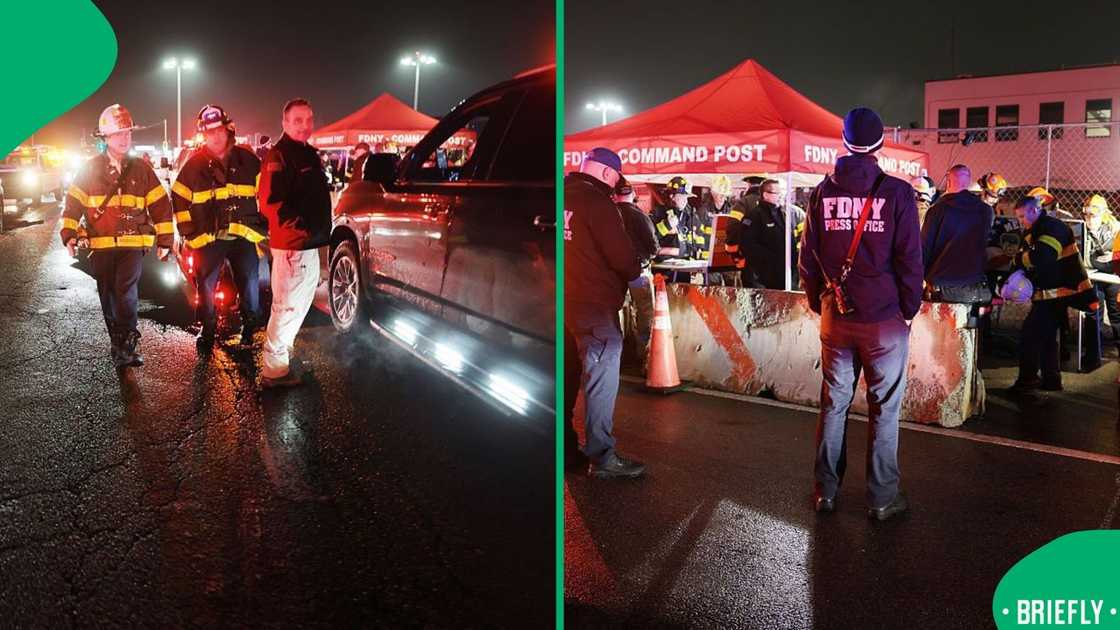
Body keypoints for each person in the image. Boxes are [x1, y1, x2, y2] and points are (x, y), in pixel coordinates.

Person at [797, 106, 922, 521]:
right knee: (884, 407)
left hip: (837, 315)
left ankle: (825, 492)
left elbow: (808, 259)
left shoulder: (821, 192)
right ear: (880, 144)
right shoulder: (898, 193)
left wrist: (820, 302)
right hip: (884, 317)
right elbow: (910, 259)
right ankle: (882, 498)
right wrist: (908, 309)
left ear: (845, 142)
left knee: (834, 403)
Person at [60, 104, 174, 368]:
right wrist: (69, 234)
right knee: (108, 294)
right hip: (101, 244)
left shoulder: (142, 170)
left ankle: (127, 345)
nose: (125, 138)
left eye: (128, 133)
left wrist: (165, 241)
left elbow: (160, 205)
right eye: (119, 134)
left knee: (126, 291)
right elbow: (73, 203)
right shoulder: (89, 169)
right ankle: (117, 342)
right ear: (105, 137)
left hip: (133, 244)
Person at [564, 147, 645, 479]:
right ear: (609, 174)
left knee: (565, 379)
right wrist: (636, 278)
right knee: (600, 380)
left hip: (561, 302)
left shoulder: (562, 194)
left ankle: (564, 449)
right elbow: (621, 256)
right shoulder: (598, 203)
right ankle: (602, 457)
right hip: (594, 306)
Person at [172, 104, 267, 352]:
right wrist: (189, 233)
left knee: (250, 280)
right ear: (204, 134)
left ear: (228, 129)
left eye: (219, 130)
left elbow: (267, 193)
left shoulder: (248, 160)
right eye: (210, 132)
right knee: (205, 285)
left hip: (243, 234)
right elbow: (179, 197)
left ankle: (249, 328)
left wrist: (264, 223)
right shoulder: (193, 165)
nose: (215, 136)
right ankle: (209, 328)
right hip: (208, 238)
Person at [256, 98, 332, 388]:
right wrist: (300, 230)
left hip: (309, 244)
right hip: (294, 245)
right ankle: (274, 371)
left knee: (298, 304)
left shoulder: (307, 154)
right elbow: (271, 203)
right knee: (286, 306)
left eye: (309, 119)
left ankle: (282, 354)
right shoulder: (280, 155)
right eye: (298, 120)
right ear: (285, 124)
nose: (305, 125)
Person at [1007, 195, 1099, 393]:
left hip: (1056, 295)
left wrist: (1017, 260)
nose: (1020, 221)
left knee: (1030, 336)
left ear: (1034, 210)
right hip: (1052, 295)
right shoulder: (1040, 228)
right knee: (1048, 338)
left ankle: (1028, 380)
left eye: (1022, 216)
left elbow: (1043, 256)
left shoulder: (1051, 228)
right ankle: (1052, 380)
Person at [920, 164, 994, 303]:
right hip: (975, 285)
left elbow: (924, 248)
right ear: (968, 182)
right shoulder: (986, 211)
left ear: (948, 181)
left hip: (941, 286)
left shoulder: (937, 210)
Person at [614, 177, 659, 360]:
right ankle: (644, 356)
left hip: (614, 274)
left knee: (616, 313)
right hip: (639, 272)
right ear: (633, 195)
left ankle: (618, 355)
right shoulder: (640, 216)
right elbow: (653, 247)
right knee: (645, 312)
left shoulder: (607, 214)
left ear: (614, 195)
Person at [742, 178, 805, 290]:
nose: (781, 196)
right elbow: (748, 246)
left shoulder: (786, 214)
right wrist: (771, 260)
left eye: (782, 192)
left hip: (787, 275)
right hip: (764, 279)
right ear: (765, 194)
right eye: (777, 193)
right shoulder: (754, 216)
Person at [1082, 194, 1120, 364]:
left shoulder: (1115, 228)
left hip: (1113, 277)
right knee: (1093, 312)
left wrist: (1114, 255)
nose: (1089, 219)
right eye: (1086, 214)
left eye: (1093, 215)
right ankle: (1092, 356)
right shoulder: (1082, 229)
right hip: (1095, 275)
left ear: (1103, 214)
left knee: (1116, 314)